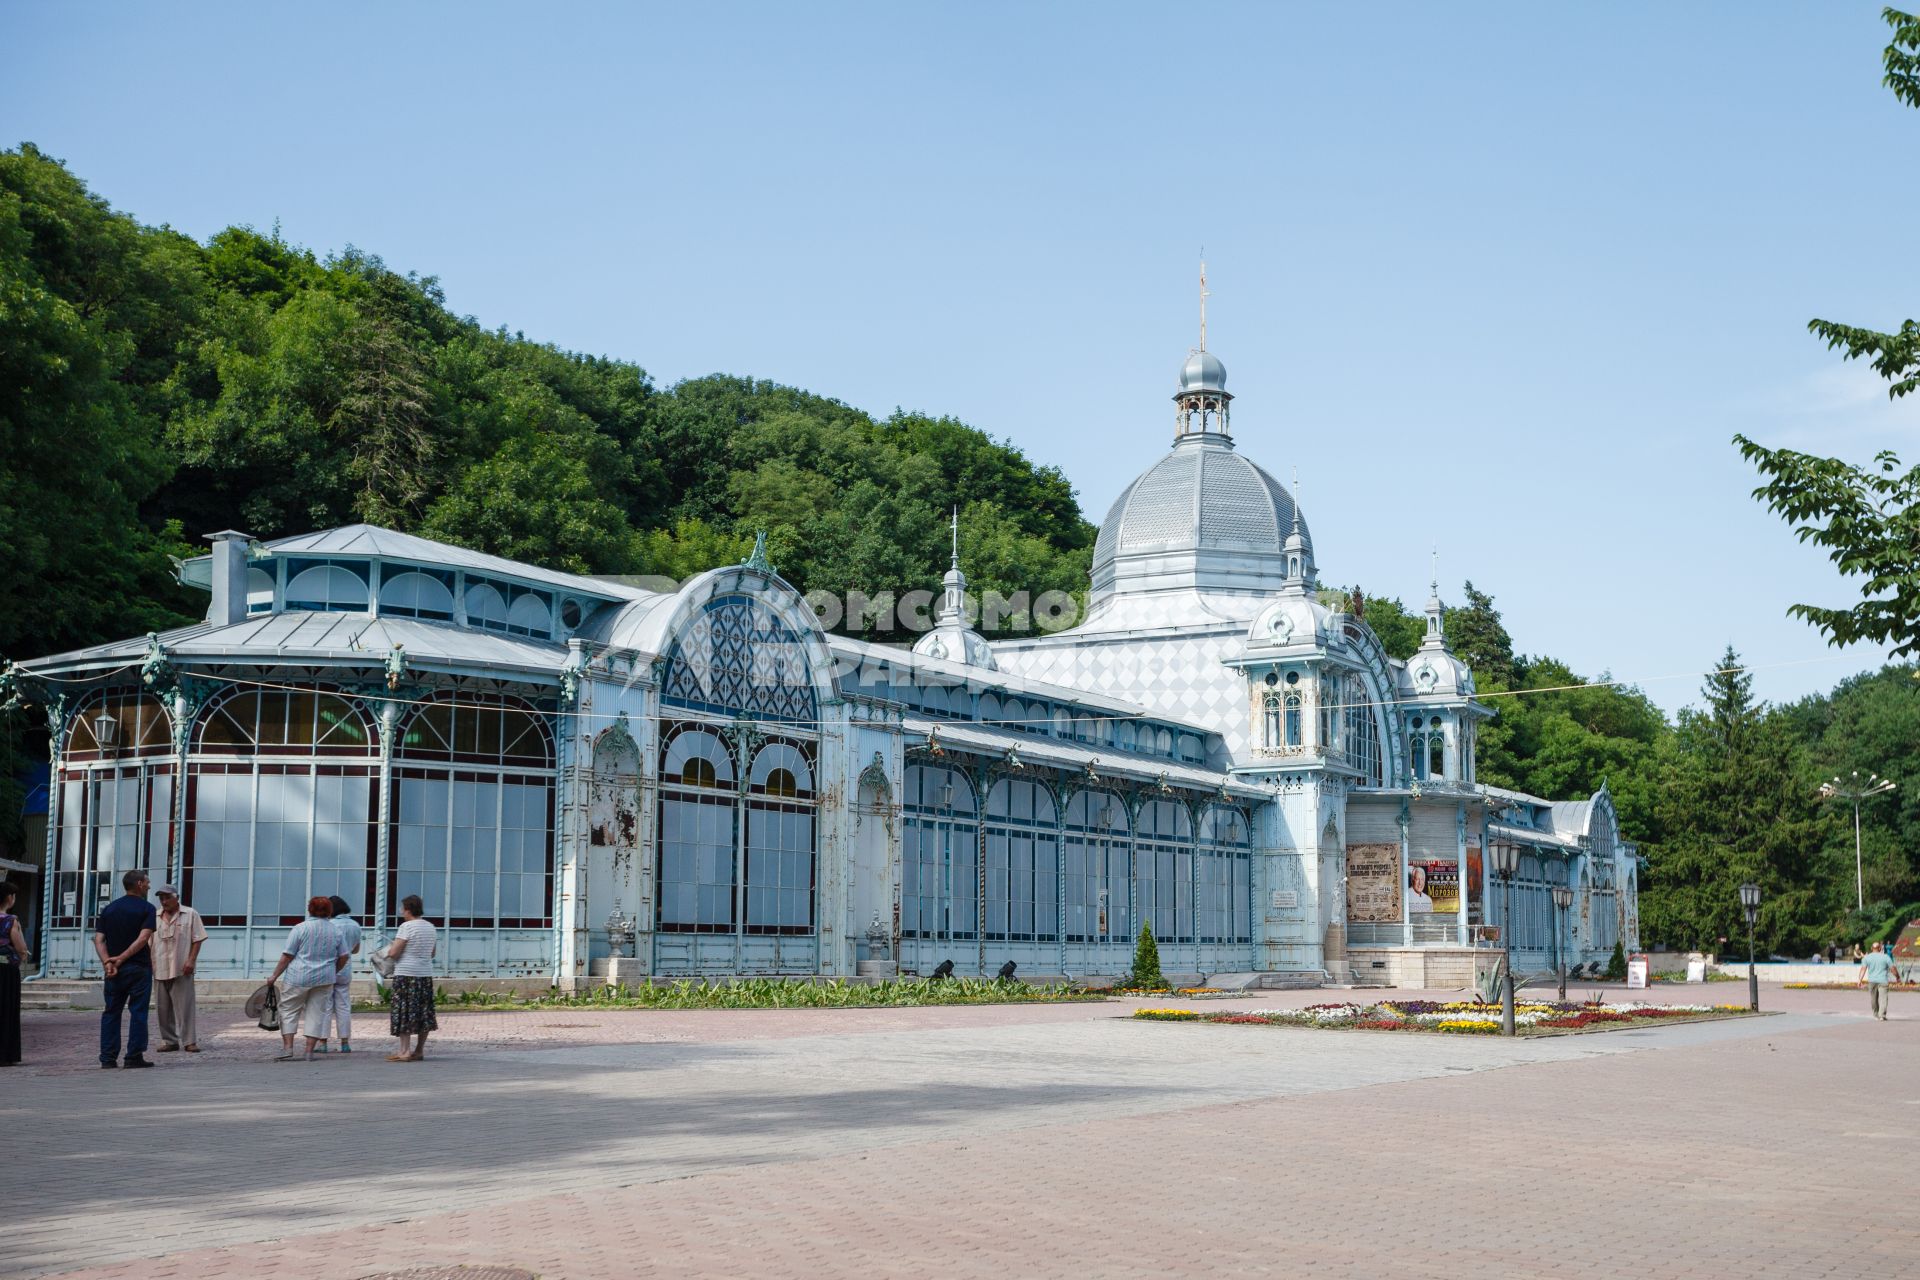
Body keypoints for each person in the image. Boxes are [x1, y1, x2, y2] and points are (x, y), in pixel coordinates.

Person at [263, 897, 348, 1061]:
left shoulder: (300, 929)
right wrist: (333, 970)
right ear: (330, 911)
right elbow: (344, 956)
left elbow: (287, 955)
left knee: (288, 1010)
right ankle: (309, 1051)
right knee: (317, 1013)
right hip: (325, 978)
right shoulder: (335, 931)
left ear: (310, 909)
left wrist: (274, 976)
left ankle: (288, 1048)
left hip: (298, 976)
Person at [94, 870, 157, 1069]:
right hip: (138, 967)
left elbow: (99, 939)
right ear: (139, 883)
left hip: (113, 970)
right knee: (138, 1011)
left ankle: (107, 1058)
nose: (148, 886)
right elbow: (142, 939)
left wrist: (108, 962)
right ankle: (134, 1056)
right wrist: (121, 959)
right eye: (147, 882)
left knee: (111, 1011)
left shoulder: (110, 909)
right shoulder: (147, 908)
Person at [150, 884, 207, 1054]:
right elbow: (148, 942)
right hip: (159, 966)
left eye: (167, 897)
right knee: (162, 1008)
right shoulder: (154, 916)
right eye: (161, 898)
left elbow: (198, 939)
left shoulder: (190, 914)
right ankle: (169, 1040)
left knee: (185, 1007)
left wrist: (191, 960)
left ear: (177, 898)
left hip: (182, 967)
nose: (164, 901)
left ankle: (189, 1040)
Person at [386, 894, 438, 1063]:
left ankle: (404, 1051)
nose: (402, 912)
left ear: (408, 909)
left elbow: (394, 952)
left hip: (406, 974)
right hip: (425, 974)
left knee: (404, 1011)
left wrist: (389, 951)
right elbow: (432, 953)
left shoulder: (406, 927)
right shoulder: (430, 927)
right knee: (424, 1012)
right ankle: (419, 1050)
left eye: (403, 909)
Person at [320, 894, 362, 1053]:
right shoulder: (355, 925)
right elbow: (356, 949)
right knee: (343, 1006)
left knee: (325, 1006)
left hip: (329, 967)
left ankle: (323, 1043)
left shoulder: (329, 925)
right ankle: (345, 1042)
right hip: (345, 969)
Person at [1, 880, 32, 1066]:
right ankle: (5, 1053)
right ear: (9, 898)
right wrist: (21, 957)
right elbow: (21, 948)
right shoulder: (10, 920)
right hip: (5, 970)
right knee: (6, 1009)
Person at [1859, 941, 1896, 1021]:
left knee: (1873, 998)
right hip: (1883, 980)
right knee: (1883, 998)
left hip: (1872, 981)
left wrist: (1860, 980)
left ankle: (1876, 1015)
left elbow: (1863, 969)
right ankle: (1882, 1015)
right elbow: (1892, 968)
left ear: (1872, 948)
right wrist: (1898, 977)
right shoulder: (1886, 957)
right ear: (1880, 948)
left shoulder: (1867, 958)